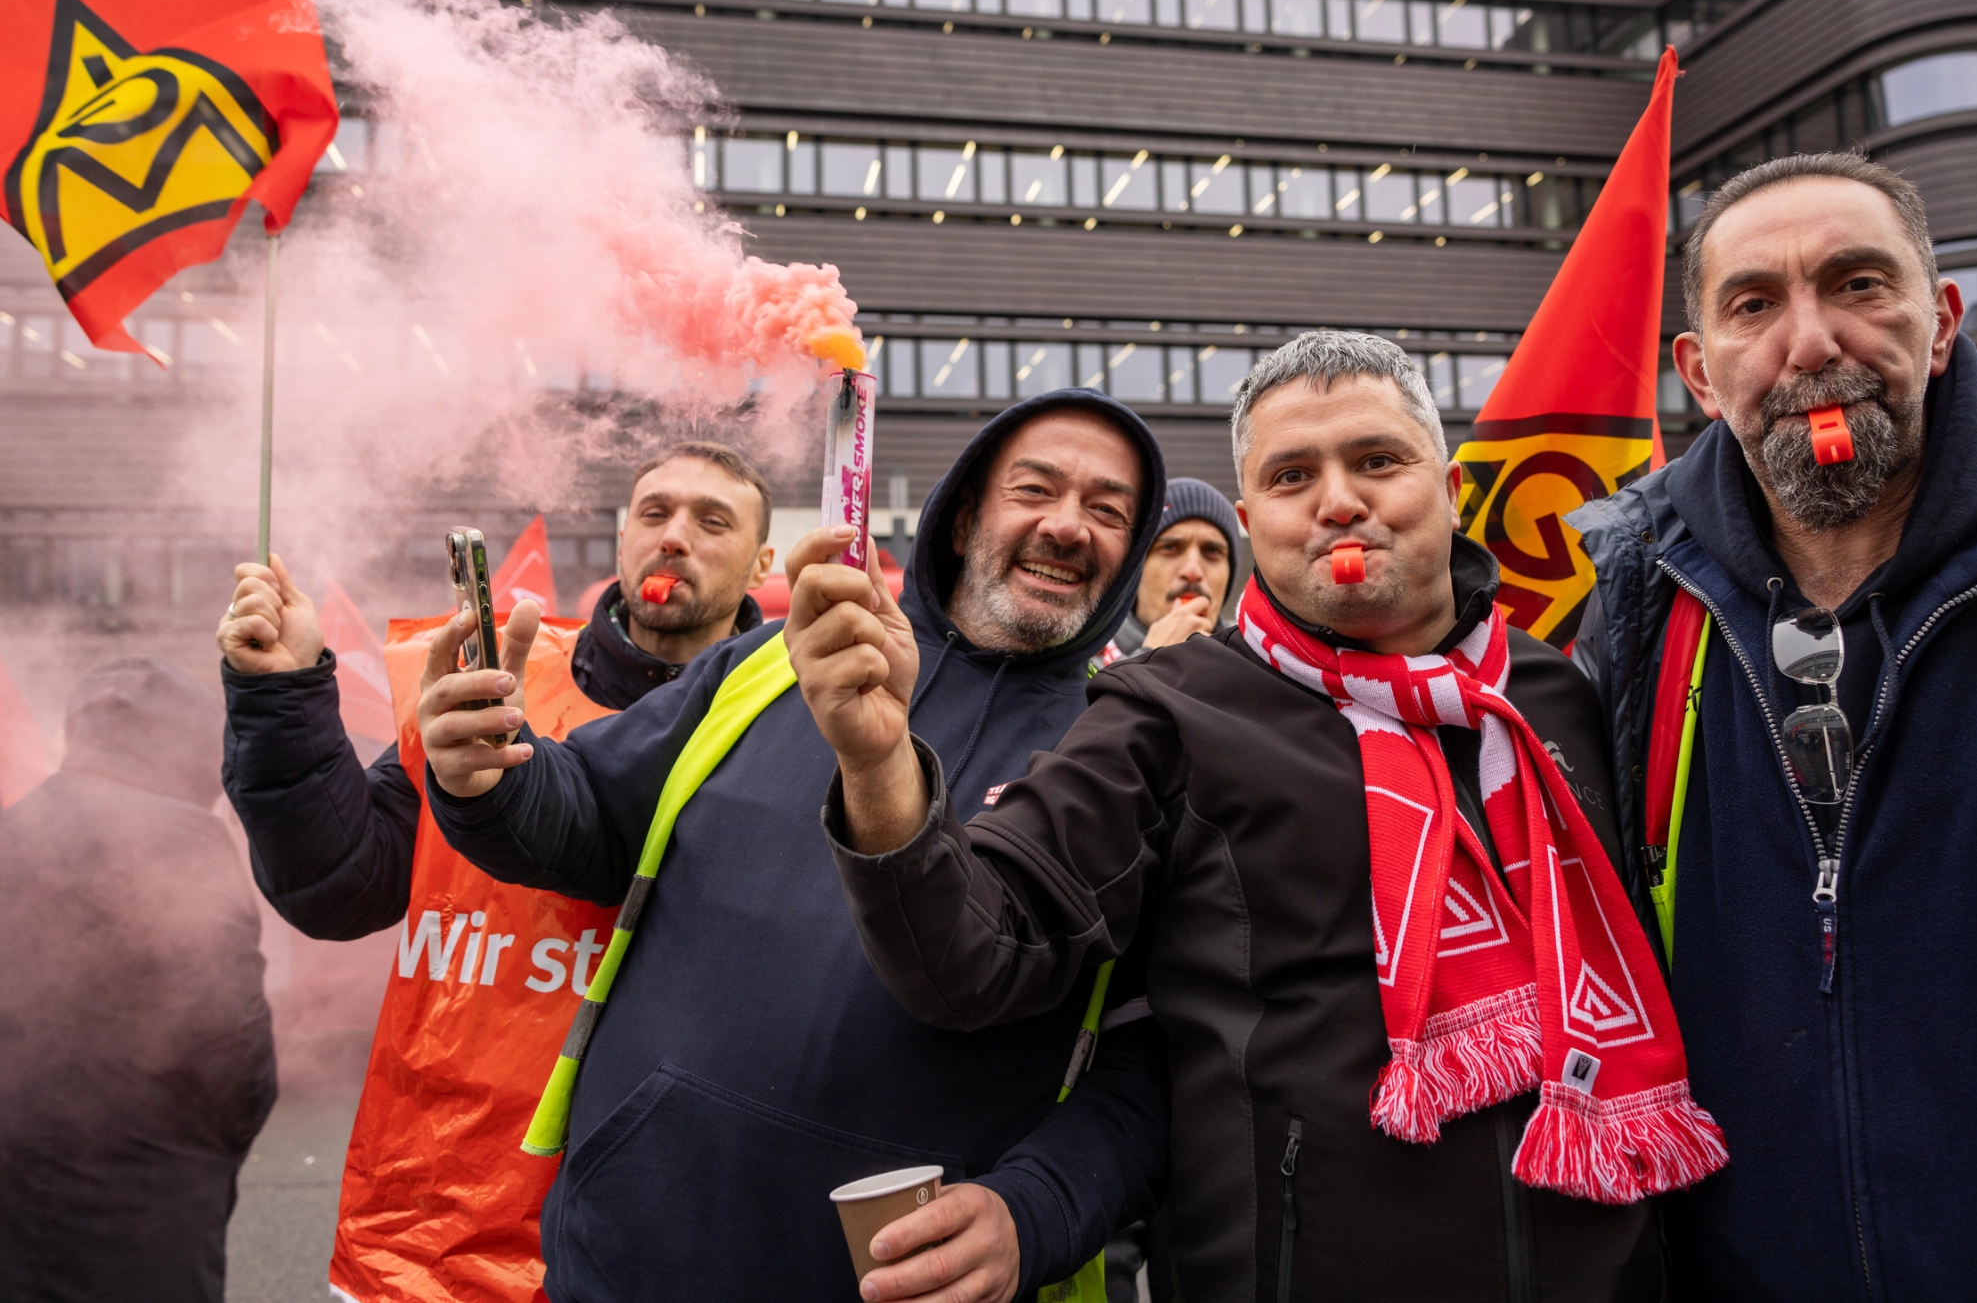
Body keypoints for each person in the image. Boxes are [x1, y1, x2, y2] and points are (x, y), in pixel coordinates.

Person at [793, 330, 1731, 1300]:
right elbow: (976, 958)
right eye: (1292, 477)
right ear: (1252, 521)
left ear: (1450, 489)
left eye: (1377, 461)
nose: (1339, 501)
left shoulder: (1560, 695)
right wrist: (877, 763)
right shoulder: (1168, 711)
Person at [418, 389, 1170, 1302]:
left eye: (1107, 510)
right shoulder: (775, 658)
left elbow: (1154, 1063)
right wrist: (491, 775)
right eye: (1036, 489)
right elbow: (588, 812)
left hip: (899, 1281)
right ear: (967, 510)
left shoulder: (1126, 746)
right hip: (625, 1257)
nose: (1066, 526)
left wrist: (1037, 1208)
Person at [217, 439, 775, 1303]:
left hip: (656, 1250)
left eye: (713, 521)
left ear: (761, 561)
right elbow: (340, 884)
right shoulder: (480, 685)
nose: (676, 537)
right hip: (426, 1243)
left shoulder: (792, 721)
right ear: (624, 534)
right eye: (656, 512)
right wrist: (284, 695)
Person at [1568, 152, 1977, 1299]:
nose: (1811, 344)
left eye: (1858, 285)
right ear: (1700, 373)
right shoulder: (1635, 614)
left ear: (1940, 323)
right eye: (1757, 304)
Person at [0, 659, 275, 1303]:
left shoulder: (11, 830)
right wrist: (218, 1139)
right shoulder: (180, 837)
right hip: (139, 1177)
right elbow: (228, 1033)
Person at [1101, 477, 1239, 663]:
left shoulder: (1259, 661)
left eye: (1212, 551)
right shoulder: (1080, 665)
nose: (1192, 571)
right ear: (1135, 569)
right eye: (1170, 548)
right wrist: (1153, 658)